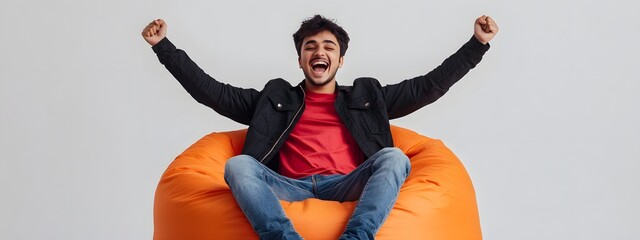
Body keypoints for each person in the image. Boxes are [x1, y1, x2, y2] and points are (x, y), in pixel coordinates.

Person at [142, 14, 498, 240]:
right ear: (300, 60)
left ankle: (357, 238)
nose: (319, 51)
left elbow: (427, 87)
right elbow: (212, 91)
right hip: (289, 187)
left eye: (328, 46)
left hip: (348, 184)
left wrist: (476, 45)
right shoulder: (274, 99)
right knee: (237, 165)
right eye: (310, 47)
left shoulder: (368, 96)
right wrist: (164, 48)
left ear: (340, 60)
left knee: (394, 158)